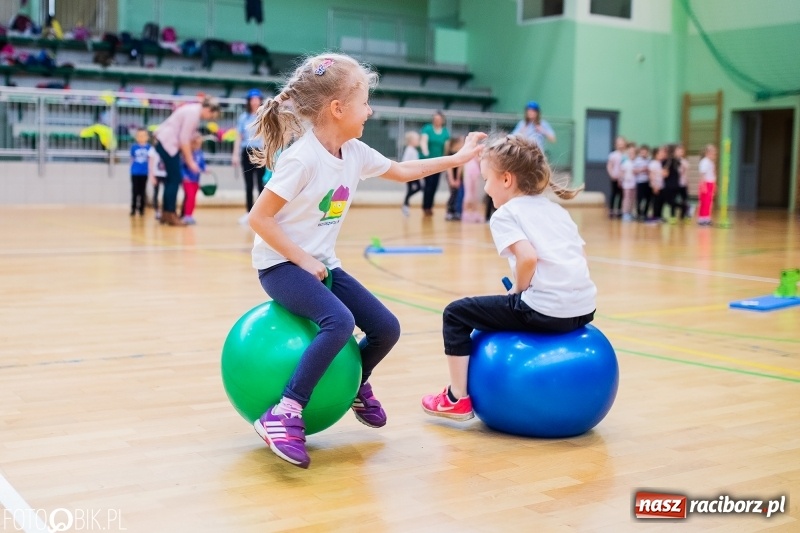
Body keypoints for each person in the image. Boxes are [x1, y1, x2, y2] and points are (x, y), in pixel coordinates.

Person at [247, 53, 486, 468]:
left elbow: (404, 170)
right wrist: (301, 258)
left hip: (321, 264)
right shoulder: (302, 158)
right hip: (280, 265)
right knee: (338, 321)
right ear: (337, 109)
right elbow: (259, 218)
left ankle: (357, 382)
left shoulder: (354, 152)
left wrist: (457, 159)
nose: (370, 109)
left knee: (386, 328)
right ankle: (283, 412)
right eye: (365, 101)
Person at [421, 134, 596, 420]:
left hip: (545, 311)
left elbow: (528, 258)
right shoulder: (557, 211)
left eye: (487, 179)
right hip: (584, 310)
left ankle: (456, 398)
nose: (485, 187)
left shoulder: (505, 214)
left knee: (455, 314)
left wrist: (518, 289)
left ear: (506, 180)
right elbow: (581, 258)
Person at [153, 96, 220, 226]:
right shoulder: (193, 114)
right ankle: (170, 213)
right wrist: (190, 162)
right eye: (211, 115)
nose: (209, 118)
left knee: (171, 180)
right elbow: (184, 140)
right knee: (175, 179)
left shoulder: (192, 111)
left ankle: (166, 213)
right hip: (168, 144)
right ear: (209, 109)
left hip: (166, 143)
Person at [233, 89, 266, 225]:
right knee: (248, 184)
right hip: (246, 151)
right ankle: (249, 212)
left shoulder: (264, 116)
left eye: (257, 98)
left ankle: (261, 213)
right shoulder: (243, 118)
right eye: (252, 99)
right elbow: (239, 137)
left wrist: (267, 152)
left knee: (260, 184)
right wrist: (235, 155)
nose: (254, 101)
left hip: (260, 151)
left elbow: (268, 135)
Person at [419, 111, 451, 217]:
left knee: (434, 186)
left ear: (442, 120)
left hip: (439, 163)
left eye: (439, 119)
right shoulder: (427, 128)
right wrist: (425, 151)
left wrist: (445, 162)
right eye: (435, 118)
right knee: (428, 185)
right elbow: (423, 141)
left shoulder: (445, 132)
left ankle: (430, 206)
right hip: (427, 162)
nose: (437, 120)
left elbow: (446, 148)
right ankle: (425, 207)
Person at [180, 134, 206, 225]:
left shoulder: (200, 153)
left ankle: (190, 215)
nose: (198, 145)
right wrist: (184, 176)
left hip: (196, 179)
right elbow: (182, 166)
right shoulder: (188, 153)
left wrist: (205, 169)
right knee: (189, 197)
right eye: (196, 142)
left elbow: (202, 164)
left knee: (193, 198)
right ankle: (186, 215)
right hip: (188, 179)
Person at [129, 128, 150, 217]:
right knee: (135, 191)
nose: (141, 137)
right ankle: (133, 208)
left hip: (144, 173)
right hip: (135, 172)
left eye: (143, 135)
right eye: (139, 136)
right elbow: (132, 159)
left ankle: (141, 209)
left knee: (142, 191)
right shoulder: (134, 147)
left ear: (147, 137)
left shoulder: (149, 148)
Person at [400, 130, 421, 217]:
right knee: (418, 187)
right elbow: (405, 161)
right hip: (410, 174)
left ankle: (406, 205)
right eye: (417, 139)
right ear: (411, 141)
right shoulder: (409, 150)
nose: (418, 141)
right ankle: (405, 205)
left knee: (415, 189)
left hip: (414, 174)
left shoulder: (413, 150)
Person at [444, 136, 465, 221]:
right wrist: (452, 180)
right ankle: (449, 212)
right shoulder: (450, 154)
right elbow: (449, 169)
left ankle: (455, 212)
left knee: (457, 193)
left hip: (457, 176)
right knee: (453, 193)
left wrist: (458, 179)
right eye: (461, 142)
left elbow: (460, 168)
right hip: (450, 175)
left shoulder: (460, 153)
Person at [697, 144, 718, 226]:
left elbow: (712, 174)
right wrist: (703, 185)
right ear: (707, 153)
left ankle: (706, 218)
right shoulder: (704, 162)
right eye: (713, 153)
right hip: (706, 183)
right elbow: (702, 174)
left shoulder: (710, 162)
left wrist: (715, 184)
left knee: (709, 202)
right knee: (704, 202)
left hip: (710, 183)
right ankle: (702, 219)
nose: (715, 155)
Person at [460, 153, 484, 223]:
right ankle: (465, 213)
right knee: (468, 194)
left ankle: (474, 212)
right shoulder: (467, 151)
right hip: (468, 173)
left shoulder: (477, 151)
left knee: (475, 194)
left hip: (475, 172)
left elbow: (479, 160)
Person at [606, 136, 625, 218]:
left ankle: (619, 211)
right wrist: (611, 174)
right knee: (614, 193)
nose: (620, 145)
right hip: (615, 177)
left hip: (623, 178)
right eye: (619, 144)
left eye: (622, 143)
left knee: (622, 194)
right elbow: (609, 166)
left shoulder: (626, 154)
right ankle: (611, 210)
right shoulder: (613, 155)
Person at [148, 137, 167, 221]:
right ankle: (157, 211)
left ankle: (165, 211)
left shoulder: (167, 148)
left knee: (166, 193)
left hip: (165, 174)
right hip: (156, 174)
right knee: (156, 193)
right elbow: (150, 164)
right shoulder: (153, 150)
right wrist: (151, 176)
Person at [648, 145, 667, 223]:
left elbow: (664, 174)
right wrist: (654, 186)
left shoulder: (661, 164)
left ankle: (659, 216)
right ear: (656, 154)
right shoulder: (653, 163)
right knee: (656, 202)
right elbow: (651, 176)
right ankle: (655, 216)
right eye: (660, 153)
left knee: (661, 201)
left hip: (661, 185)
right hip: (655, 186)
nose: (662, 155)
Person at [620, 142, 637, 222]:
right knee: (626, 198)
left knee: (633, 199)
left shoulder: (636, 162)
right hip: (627, 184)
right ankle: (625, 213)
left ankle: (631, 212)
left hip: (634, 183)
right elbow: (622, 172)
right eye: (630, 153)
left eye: (633, 153)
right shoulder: (625, 163)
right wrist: (621, 180)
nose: (632, 154)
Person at [633, 144, 651, 221]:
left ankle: (645, 213)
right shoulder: (637, 160)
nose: (644, 154)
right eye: (642, 152)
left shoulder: (649, 160)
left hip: (648, 182)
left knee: (648, 198)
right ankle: (638, 213)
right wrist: (641, 170)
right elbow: (634, 171)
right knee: (639, 199)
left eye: (645, 152)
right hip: (640, 182)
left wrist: (648, 170)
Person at [675, 144, 690, 222]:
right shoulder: (673, 161)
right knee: (674, 200)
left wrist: (687, 182)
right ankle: (674, 214)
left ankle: (684, 215)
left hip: (683, 183)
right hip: (675, 183)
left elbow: (685, 172)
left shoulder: (684, 161)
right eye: (678, 151)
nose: (680, 152)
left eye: (681, 151)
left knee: (684, 199)